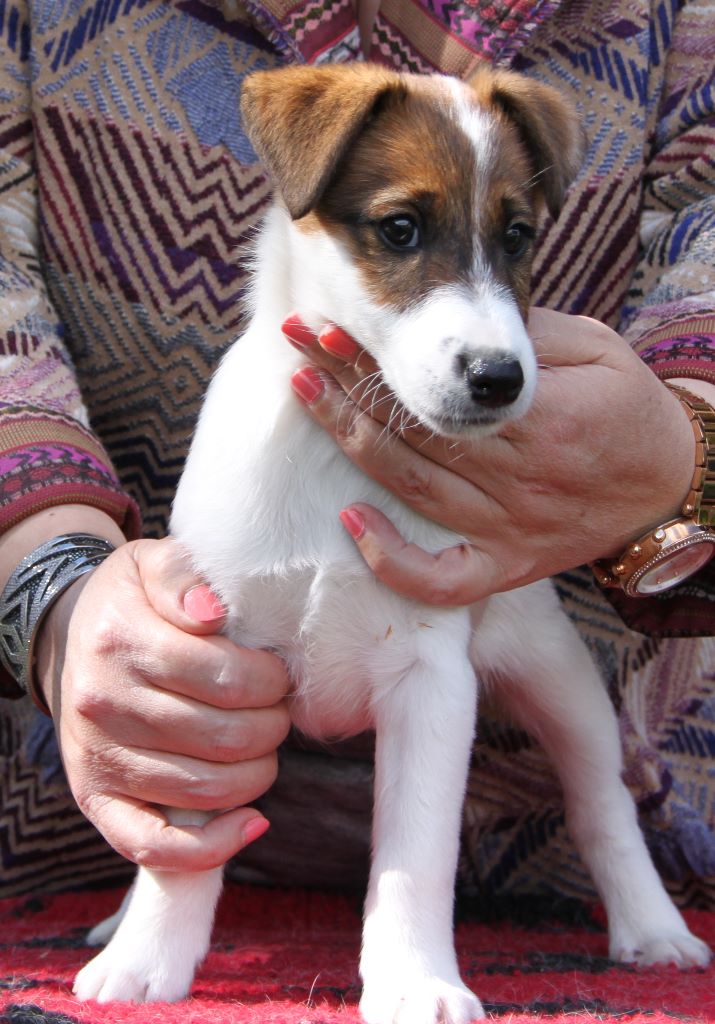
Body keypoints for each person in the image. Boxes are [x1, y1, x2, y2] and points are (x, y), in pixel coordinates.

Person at [1, 0, 714, 906]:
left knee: (544, 668)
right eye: (401, 232)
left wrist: (687, 457)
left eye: (516, 237)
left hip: (619, 848)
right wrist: (48, 585)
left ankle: (618, 872)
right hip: (56, 864)